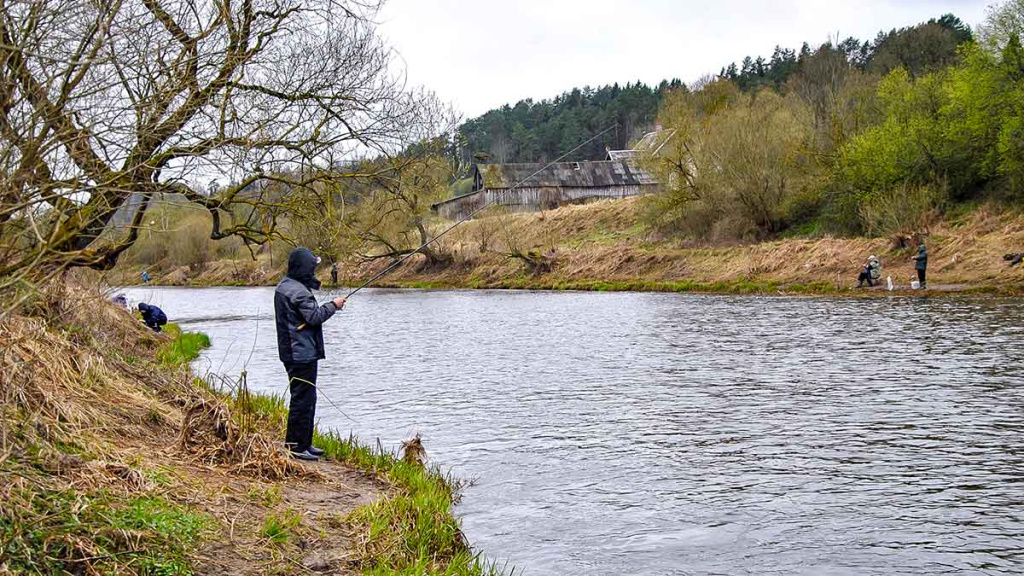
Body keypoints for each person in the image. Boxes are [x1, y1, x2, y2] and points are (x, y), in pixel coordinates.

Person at [274, 247, 346, 461]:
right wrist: (334, 305)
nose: (314, 270)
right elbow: (314, 317)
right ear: (304, 267)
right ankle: (296, 446)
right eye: (312, 266)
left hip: (296, 351)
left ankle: (304, 443)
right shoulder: (298, 291)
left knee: (307, 397)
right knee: (302, 399)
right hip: (300, 354)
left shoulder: (286, 286)